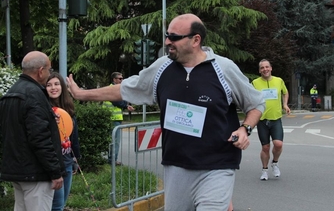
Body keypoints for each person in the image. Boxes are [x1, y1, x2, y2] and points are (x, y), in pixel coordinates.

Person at [66, 13, 264, 211]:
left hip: (217, 165)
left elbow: (255, 103)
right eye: (167, 35)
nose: (167, 41)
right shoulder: (162, 68)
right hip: (176, 166)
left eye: (174, 37)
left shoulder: (223, 68)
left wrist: (245, 129)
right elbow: (124, 89)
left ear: (196, 40)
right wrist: (82, 94)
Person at [0, 51, 65, 211]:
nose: (49, 74)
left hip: (18, 170)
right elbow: (40, 138)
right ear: (40, 70)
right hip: (36, 173)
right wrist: (55, 172)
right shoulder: (35, 95)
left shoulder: (11, 93)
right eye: (49, 70)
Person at [46, 72, 81, 211]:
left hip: (67, 161)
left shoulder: (68, 108)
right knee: (57, 206)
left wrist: (75, 158)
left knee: (62, 203)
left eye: (56, 84)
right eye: (49, 85)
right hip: (54, 165)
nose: (53, 88)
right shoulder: (44, 108)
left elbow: (73, 137)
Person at [251, 59, 291, 181]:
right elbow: (250, 97)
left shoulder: (278, 81)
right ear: (259, 70)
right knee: (266, 147)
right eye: (262, 68)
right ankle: (264, 170)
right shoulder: (255, 83)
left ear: (271, 68)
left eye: (267, 67)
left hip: (276, 118)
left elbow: (285, 92)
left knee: (278, 144)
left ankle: (275, 163)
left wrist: (285, 104)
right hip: (262, 119)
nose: (265, 69)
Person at [102, 72, 135, 165]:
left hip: (113, 118)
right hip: (113, 118)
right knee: (115, 141)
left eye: (122, 78)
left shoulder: (116, 89)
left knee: (112, 141)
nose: (122, 80)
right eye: (119, 79)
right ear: (114, 79)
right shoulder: (112, 89)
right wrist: (126, 106)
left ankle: (111, 159)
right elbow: (117, 102)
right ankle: (113, 160)